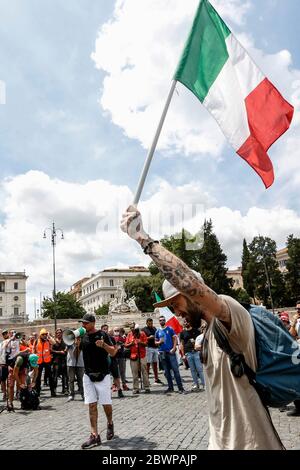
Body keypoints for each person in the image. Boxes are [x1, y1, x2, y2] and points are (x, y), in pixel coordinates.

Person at [121, 205, 284, 450]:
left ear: (195, 294)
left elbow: (188, 281)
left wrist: (143, 238)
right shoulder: (206, 335)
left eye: (177, 304)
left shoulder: (230, 317)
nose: (175, 313)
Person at [79, 314, 117, 449]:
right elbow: (76, 354)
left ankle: (110, 423)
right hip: (88, 375)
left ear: (93, 323)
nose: (83, 325)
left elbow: (113, 352)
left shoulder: (102, 334)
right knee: (92, 405)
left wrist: (104, 345)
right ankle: (94, 435)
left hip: (103, 374)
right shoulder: (82, 337)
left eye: (85, 323)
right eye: (82, 323)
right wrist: (75, 343)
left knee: (106, 404)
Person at [154, 315, 185, 394]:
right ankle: (170, 387)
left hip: (170, 352)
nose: (162, 321)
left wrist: (174, 348)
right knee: (167, 372)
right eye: (160, 320)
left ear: (165, 321)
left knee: (175, 370)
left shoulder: (170, 329)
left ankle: (180, 388)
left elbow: (175, 338)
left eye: (163, 320)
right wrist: (159, 342)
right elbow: (155, 342)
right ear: (159, 321)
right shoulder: (157, 331)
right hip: (162, 353)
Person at [125, 322, 150, 395]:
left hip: (142, 355)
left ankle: (147, 386)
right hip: (133, 355)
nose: (132, 329)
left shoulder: (142, 333)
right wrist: (131, 344)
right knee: (134, 372)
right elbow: (126, 345)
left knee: (144, 371)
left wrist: (140, 342)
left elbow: (146, 343)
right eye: (131, 328)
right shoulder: (129, 334)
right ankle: (136, 388)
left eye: (133, 327)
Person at [179, 319, 205, 391]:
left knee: (200, 369)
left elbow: (202, 340)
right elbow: (181, 344)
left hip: (196, 352)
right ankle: (196, 384)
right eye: (184, 322)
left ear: (190, 322)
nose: (186, 323)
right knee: (192, 370)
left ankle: (204, 384)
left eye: (187, 322)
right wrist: (183, 354)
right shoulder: (182, 333)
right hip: (188, 353)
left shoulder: (196, 331)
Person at [101, 325, 124, 398]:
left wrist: (114, 351)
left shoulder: (111, 338)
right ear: (101, 330)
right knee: (104, 376)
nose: (105, 330)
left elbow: (115, 347)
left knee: (116, 375)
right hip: (103, 359)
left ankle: (119, 390)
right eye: (104, 329)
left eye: (106, 329)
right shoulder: (99, 339)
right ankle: (105, 391)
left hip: (112, 358)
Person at [286, 302, 300, 417]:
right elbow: (291, 335)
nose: (298, 310)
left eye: (299, 308)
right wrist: (294, 323)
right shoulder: (297, 321)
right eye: (296, 308)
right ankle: (299, 407)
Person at [34, 328, 56, 397]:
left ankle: (52, 391)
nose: (44, 336)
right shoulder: (36, 341)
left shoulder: (48, 341)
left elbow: (54, 343)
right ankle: (37, 392)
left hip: (47, 361)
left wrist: (49, 336)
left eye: (45, 334)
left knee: (50, 377)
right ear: (40, 335)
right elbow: (33, 351)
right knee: (38, 378)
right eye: (43, 334)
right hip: (39, 362)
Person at [142, 318, 162, 384]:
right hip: (148, 347)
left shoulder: (154, 328)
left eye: (151, 323)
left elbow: (157, 336)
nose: (151, 324)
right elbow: (142, 339)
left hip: (155, 347)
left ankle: (156, 378)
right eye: (149, 323)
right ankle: (147, 379)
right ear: (146, 323)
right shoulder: (144, 330)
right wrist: (149, 338)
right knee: (148, 364)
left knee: (155, 363)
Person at [66, 337, 84, 402]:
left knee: (81, 380)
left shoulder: (82, 343)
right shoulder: (69, 342)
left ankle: (83, 394)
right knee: (71, 380)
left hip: (80, 363)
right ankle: (71, 394)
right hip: (71, 363)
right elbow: (67, 350)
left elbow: (78, 353)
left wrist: (78, 345)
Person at [52, 328, 68, 395]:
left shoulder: (65, 340)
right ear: (56, 334)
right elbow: (51, 350)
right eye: (57, 333)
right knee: (55, 376)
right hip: (56, 360)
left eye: (60, 332)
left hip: (64, 360)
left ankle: (65, 389)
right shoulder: (53, 341)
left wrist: (65, 350)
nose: (59, 334)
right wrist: (60, 352)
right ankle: (54, 389)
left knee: (65, 376)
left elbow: (67, 348)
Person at [112, 327, 129, 391]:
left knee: (122, 371)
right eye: (115, 330)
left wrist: (122, 344)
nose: (116, 331)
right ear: (113, 331)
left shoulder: (122, 338)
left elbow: (126, 344)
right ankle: (114, 385)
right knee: (115, 372)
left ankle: (124, 384)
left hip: (121, 356)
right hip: (114, 356)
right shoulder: (111, 338)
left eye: (118, 330)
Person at [0, 329, 10, 402]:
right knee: (3, 380)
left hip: (9, 364)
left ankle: (10, 394)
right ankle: (4, 393)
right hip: (3, 364)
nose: (4, 335)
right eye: (3, 334)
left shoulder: (12, 341)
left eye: (6, 333)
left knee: (9, 381)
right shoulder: (1, 343)